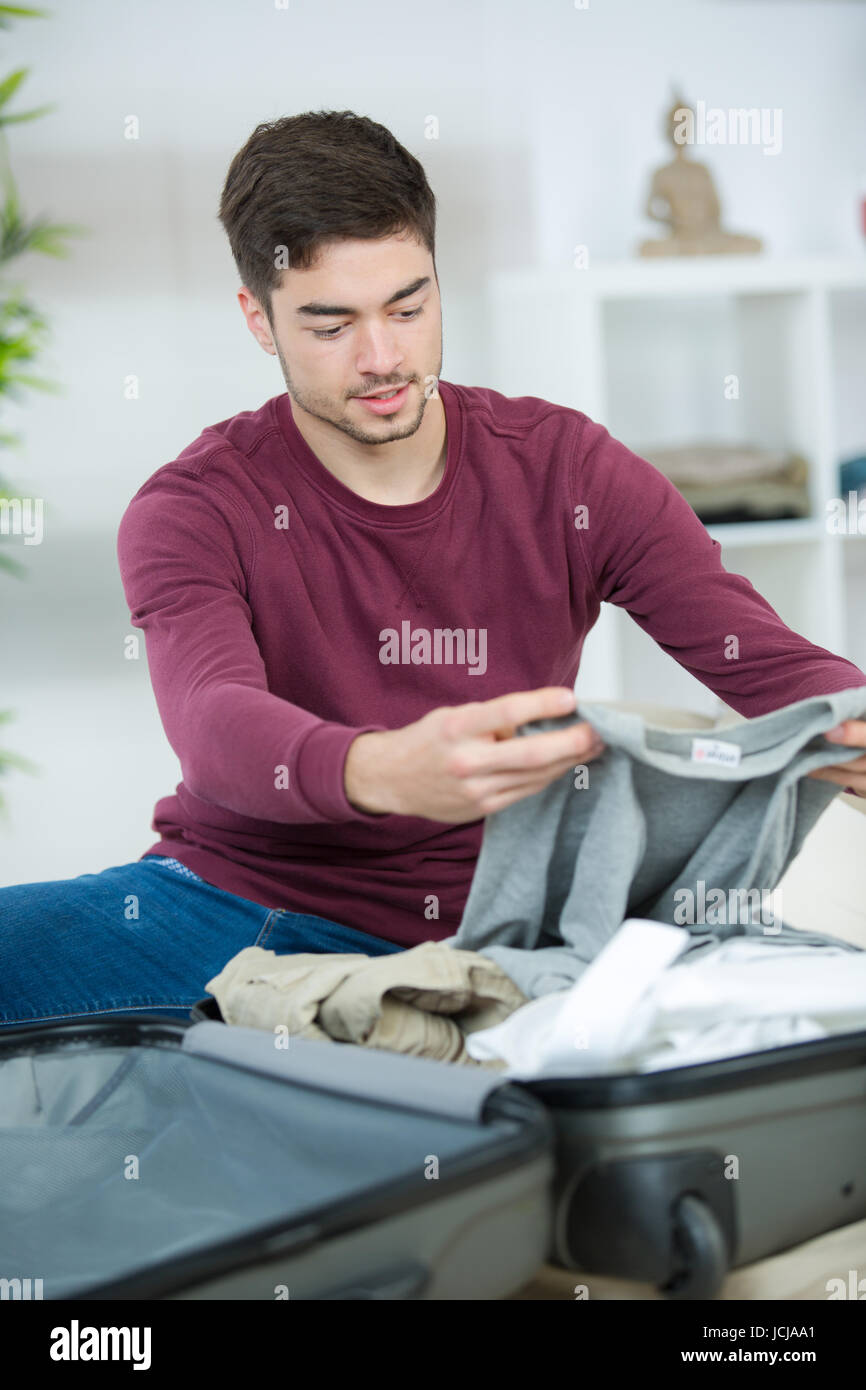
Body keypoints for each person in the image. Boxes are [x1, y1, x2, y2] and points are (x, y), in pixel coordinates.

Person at [1, 110, 864, 1029]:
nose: (382, 359)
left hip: (514, 923)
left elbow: (773, 666)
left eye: (408, 308)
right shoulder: (192, 508)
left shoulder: (568, 468)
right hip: (243, 904)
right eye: (330, 325)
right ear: (258, 318)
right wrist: (379, 770)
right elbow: (215, 728)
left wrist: (849, 725)